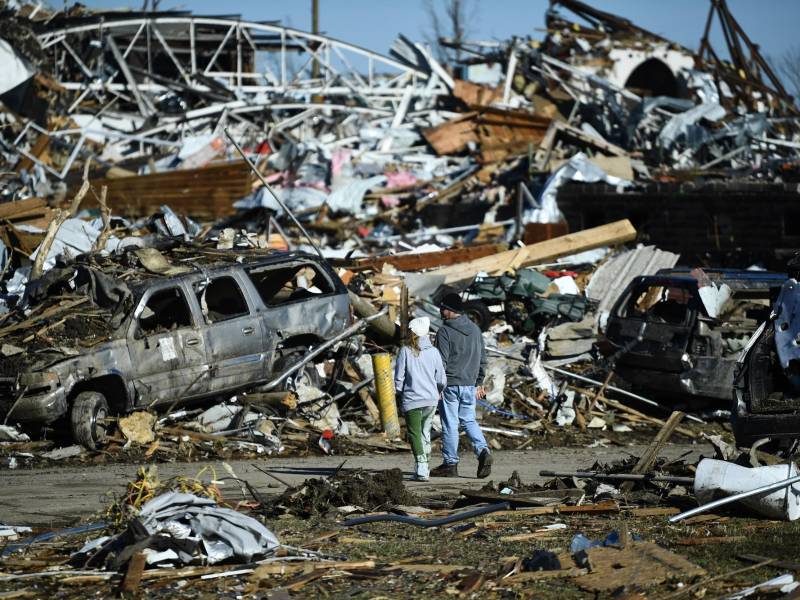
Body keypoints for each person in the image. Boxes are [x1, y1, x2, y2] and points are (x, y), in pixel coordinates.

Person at [431, 292, 492, 478]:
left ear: (450, 310)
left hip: (450, 385)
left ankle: (450, 464)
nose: (440, 311)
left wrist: (437, 386)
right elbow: (482, 359)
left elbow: (440, 363)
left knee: (450, 424)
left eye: (443, 308)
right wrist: (478, 382)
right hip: (469, 385)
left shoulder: (444, 332)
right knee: (468, 420)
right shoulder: (475, 329)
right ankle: (483, 451)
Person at [394, 316, 447, 481]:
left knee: (414, 433)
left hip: (412, 399)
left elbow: (399, 378)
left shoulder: (405, 351)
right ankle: (424, 467)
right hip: (431, 399)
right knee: (425, 432)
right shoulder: (434, 352)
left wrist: (399, 392)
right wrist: (438, 391)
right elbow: (441, 379)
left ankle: (422, 467)